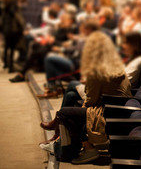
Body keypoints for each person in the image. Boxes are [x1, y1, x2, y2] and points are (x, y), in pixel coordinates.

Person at [39, 31, 131, 164]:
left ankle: (88, 148)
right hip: (120, 110)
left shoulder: (97, 69)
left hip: (106, 114)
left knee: (64, 113)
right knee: (71, 96)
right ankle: (61, 142)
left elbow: (91, 100)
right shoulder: (116, 63)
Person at [2, 0, 25, 72]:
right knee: (12, 47)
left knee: (7, 45)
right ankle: (11, 67)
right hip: (13, 27)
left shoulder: (5, 1)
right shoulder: (14, 2)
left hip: (6, 26)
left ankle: (5, 64)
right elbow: (14, 14)